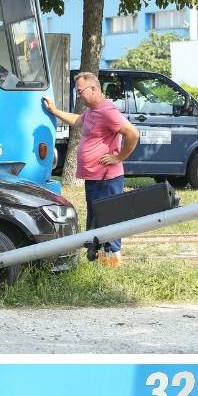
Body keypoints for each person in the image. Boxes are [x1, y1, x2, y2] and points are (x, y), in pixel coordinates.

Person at [44, 71, 139, 267]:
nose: (78, 95)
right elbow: (77, 121)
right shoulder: (92, 111)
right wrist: (54, 111)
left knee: (110, 217)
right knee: (96, 216)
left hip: (107, 177)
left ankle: (112, 262)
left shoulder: (107, 111)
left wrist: (118, 157)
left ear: (93, 89)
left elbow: (132, 134)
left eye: (80, 91)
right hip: (94, 177)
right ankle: (99, 258)